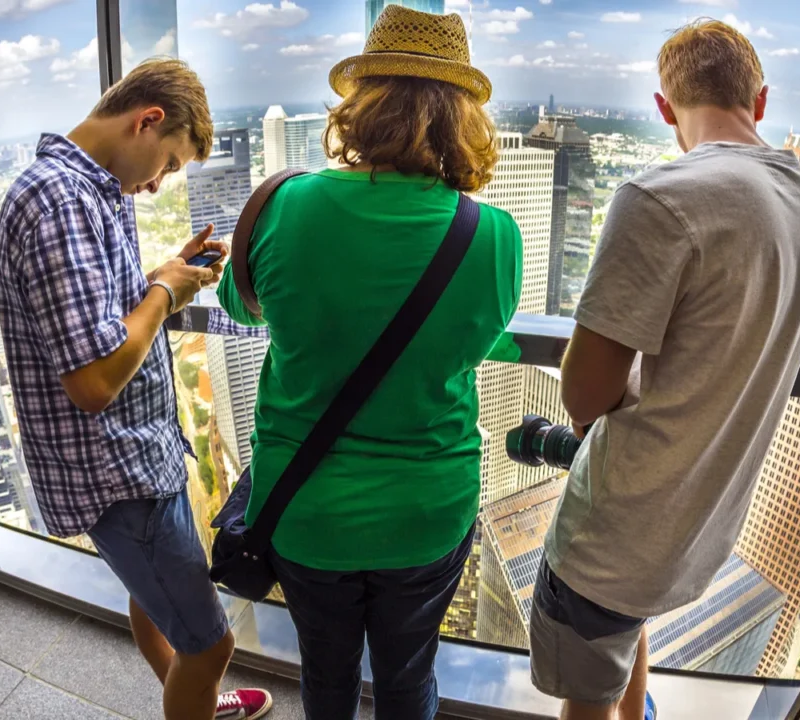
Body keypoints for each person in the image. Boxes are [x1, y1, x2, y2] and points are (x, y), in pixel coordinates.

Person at [216, 6, 520, 719]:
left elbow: (240, 305)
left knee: (326, 675)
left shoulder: (281, 208)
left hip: (306, 509)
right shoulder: (493, 235)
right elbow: (487, 338)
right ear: (462, 120)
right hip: (427, 510)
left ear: (358, 107)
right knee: (409, 678)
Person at [532, 19, 800, 720]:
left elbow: (585, 392)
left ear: (665, 107)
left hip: (614, 537)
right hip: (700, 528)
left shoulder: (660, 198)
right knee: (628, 643)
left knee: (585, 704)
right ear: (760, 99)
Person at [0, 58, 272, 720]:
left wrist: (166, 274)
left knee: (156, 601)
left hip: (131, 459)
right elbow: (92, 382)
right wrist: (166, 291)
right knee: (212, 645)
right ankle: (196, 692)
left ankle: (191, 698)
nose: (157, 184)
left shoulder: (92, 191)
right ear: (146, 120)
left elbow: (100, 316)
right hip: (117, 472)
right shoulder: (63, 200)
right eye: (169, 163)